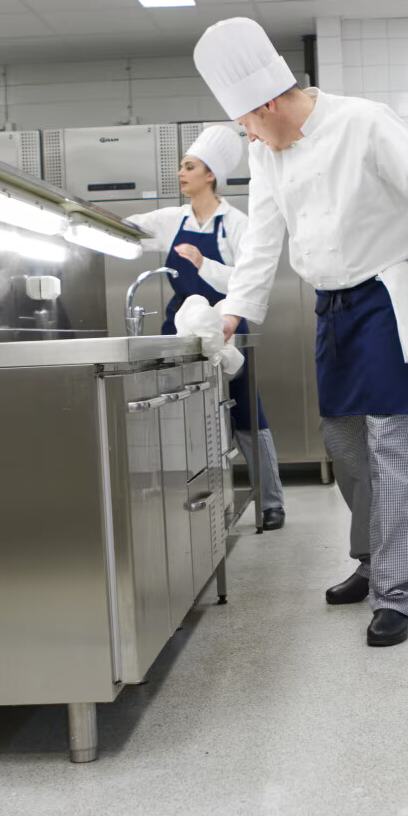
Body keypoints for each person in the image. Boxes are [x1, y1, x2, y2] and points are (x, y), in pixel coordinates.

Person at [194, 17, 408, 648]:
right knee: (343, 442)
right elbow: (264, 237)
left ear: (269, 104)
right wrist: (233, 311)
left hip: (387, 297)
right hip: (331, 308)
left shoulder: (364, 122)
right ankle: (371, 560)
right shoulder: (266, 151)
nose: (249, 137)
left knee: (391, 450)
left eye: (248, 123)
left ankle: (395, 592)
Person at [122, 124, 286, 531]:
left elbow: (248, 280)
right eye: (181, 166)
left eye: (190, 166)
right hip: (179, 327)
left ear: (210, 175)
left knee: (247, 414)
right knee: (183, 413)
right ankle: (188, 501)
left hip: (225, 325)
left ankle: (271, 502)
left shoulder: (236, 223)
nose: (181, 173)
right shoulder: (170, 219)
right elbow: (127, 231)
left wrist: (203, 264)